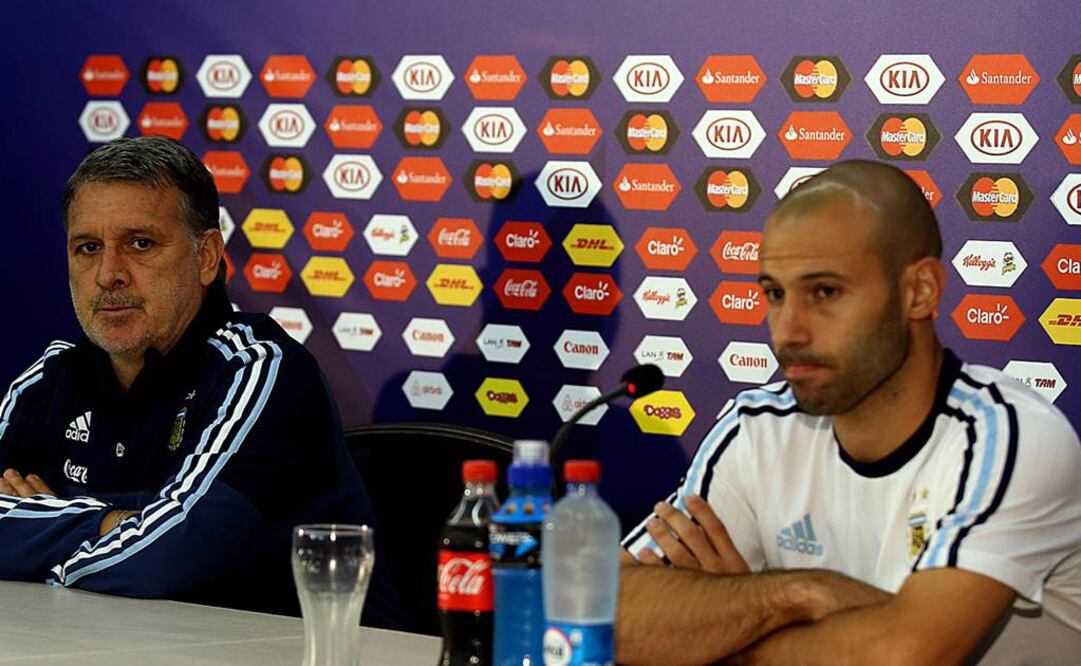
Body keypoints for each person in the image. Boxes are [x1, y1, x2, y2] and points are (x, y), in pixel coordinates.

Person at [618, 160, 1081, 664]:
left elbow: (904, 656)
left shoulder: (1008, 438)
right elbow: (605, 609)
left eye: (825, 292)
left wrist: (718, 632)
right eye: (775, 294)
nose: (788, 330)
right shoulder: (757, 428)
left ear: (920, 291)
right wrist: (796, 593)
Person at [0, 136, 403, 628]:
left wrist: (45, 523)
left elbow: (165, 560)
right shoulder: (52, 378)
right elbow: (159, 545)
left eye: (140, 244)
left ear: (207, 256)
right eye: (88, 248)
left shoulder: (262, 371)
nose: (108, 274)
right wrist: (117, 523)